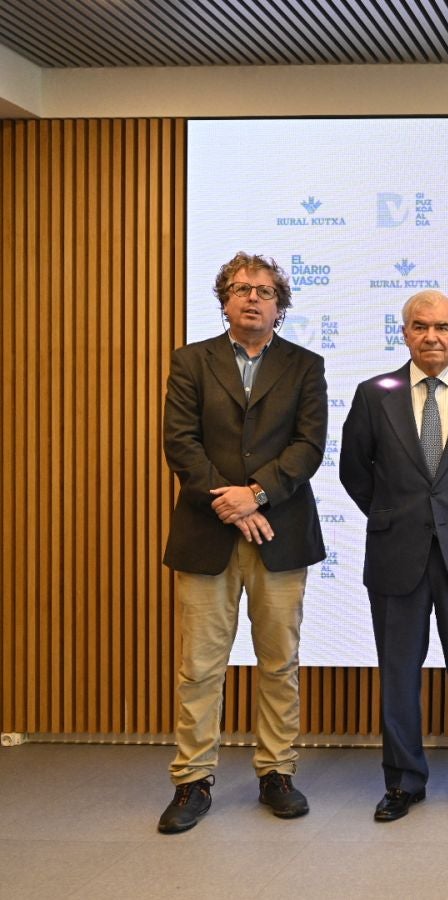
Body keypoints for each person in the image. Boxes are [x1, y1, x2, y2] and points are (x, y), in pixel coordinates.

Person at [158, 252, 327, 834]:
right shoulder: (191, 361)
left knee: (279, 662)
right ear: (224, 299)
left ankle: (276, 772)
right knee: (200, 665)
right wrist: (227, 502)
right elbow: (180, 442)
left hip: (280, 532)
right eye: (239, 288)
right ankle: (192, 780)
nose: (251, 297)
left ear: (280, 305)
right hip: (207, 534)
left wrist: (255, 495)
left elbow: (309, 446)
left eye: (263, 290)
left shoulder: (306, 365)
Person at [339, 290, 448, 822]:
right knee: (397, 672)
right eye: (420, 326)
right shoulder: (375, 394)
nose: (432, 336)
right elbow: (354, 471)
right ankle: (403, 781)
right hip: (397, 554)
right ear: (405, 333)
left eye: (442, 327)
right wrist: (394, 513)